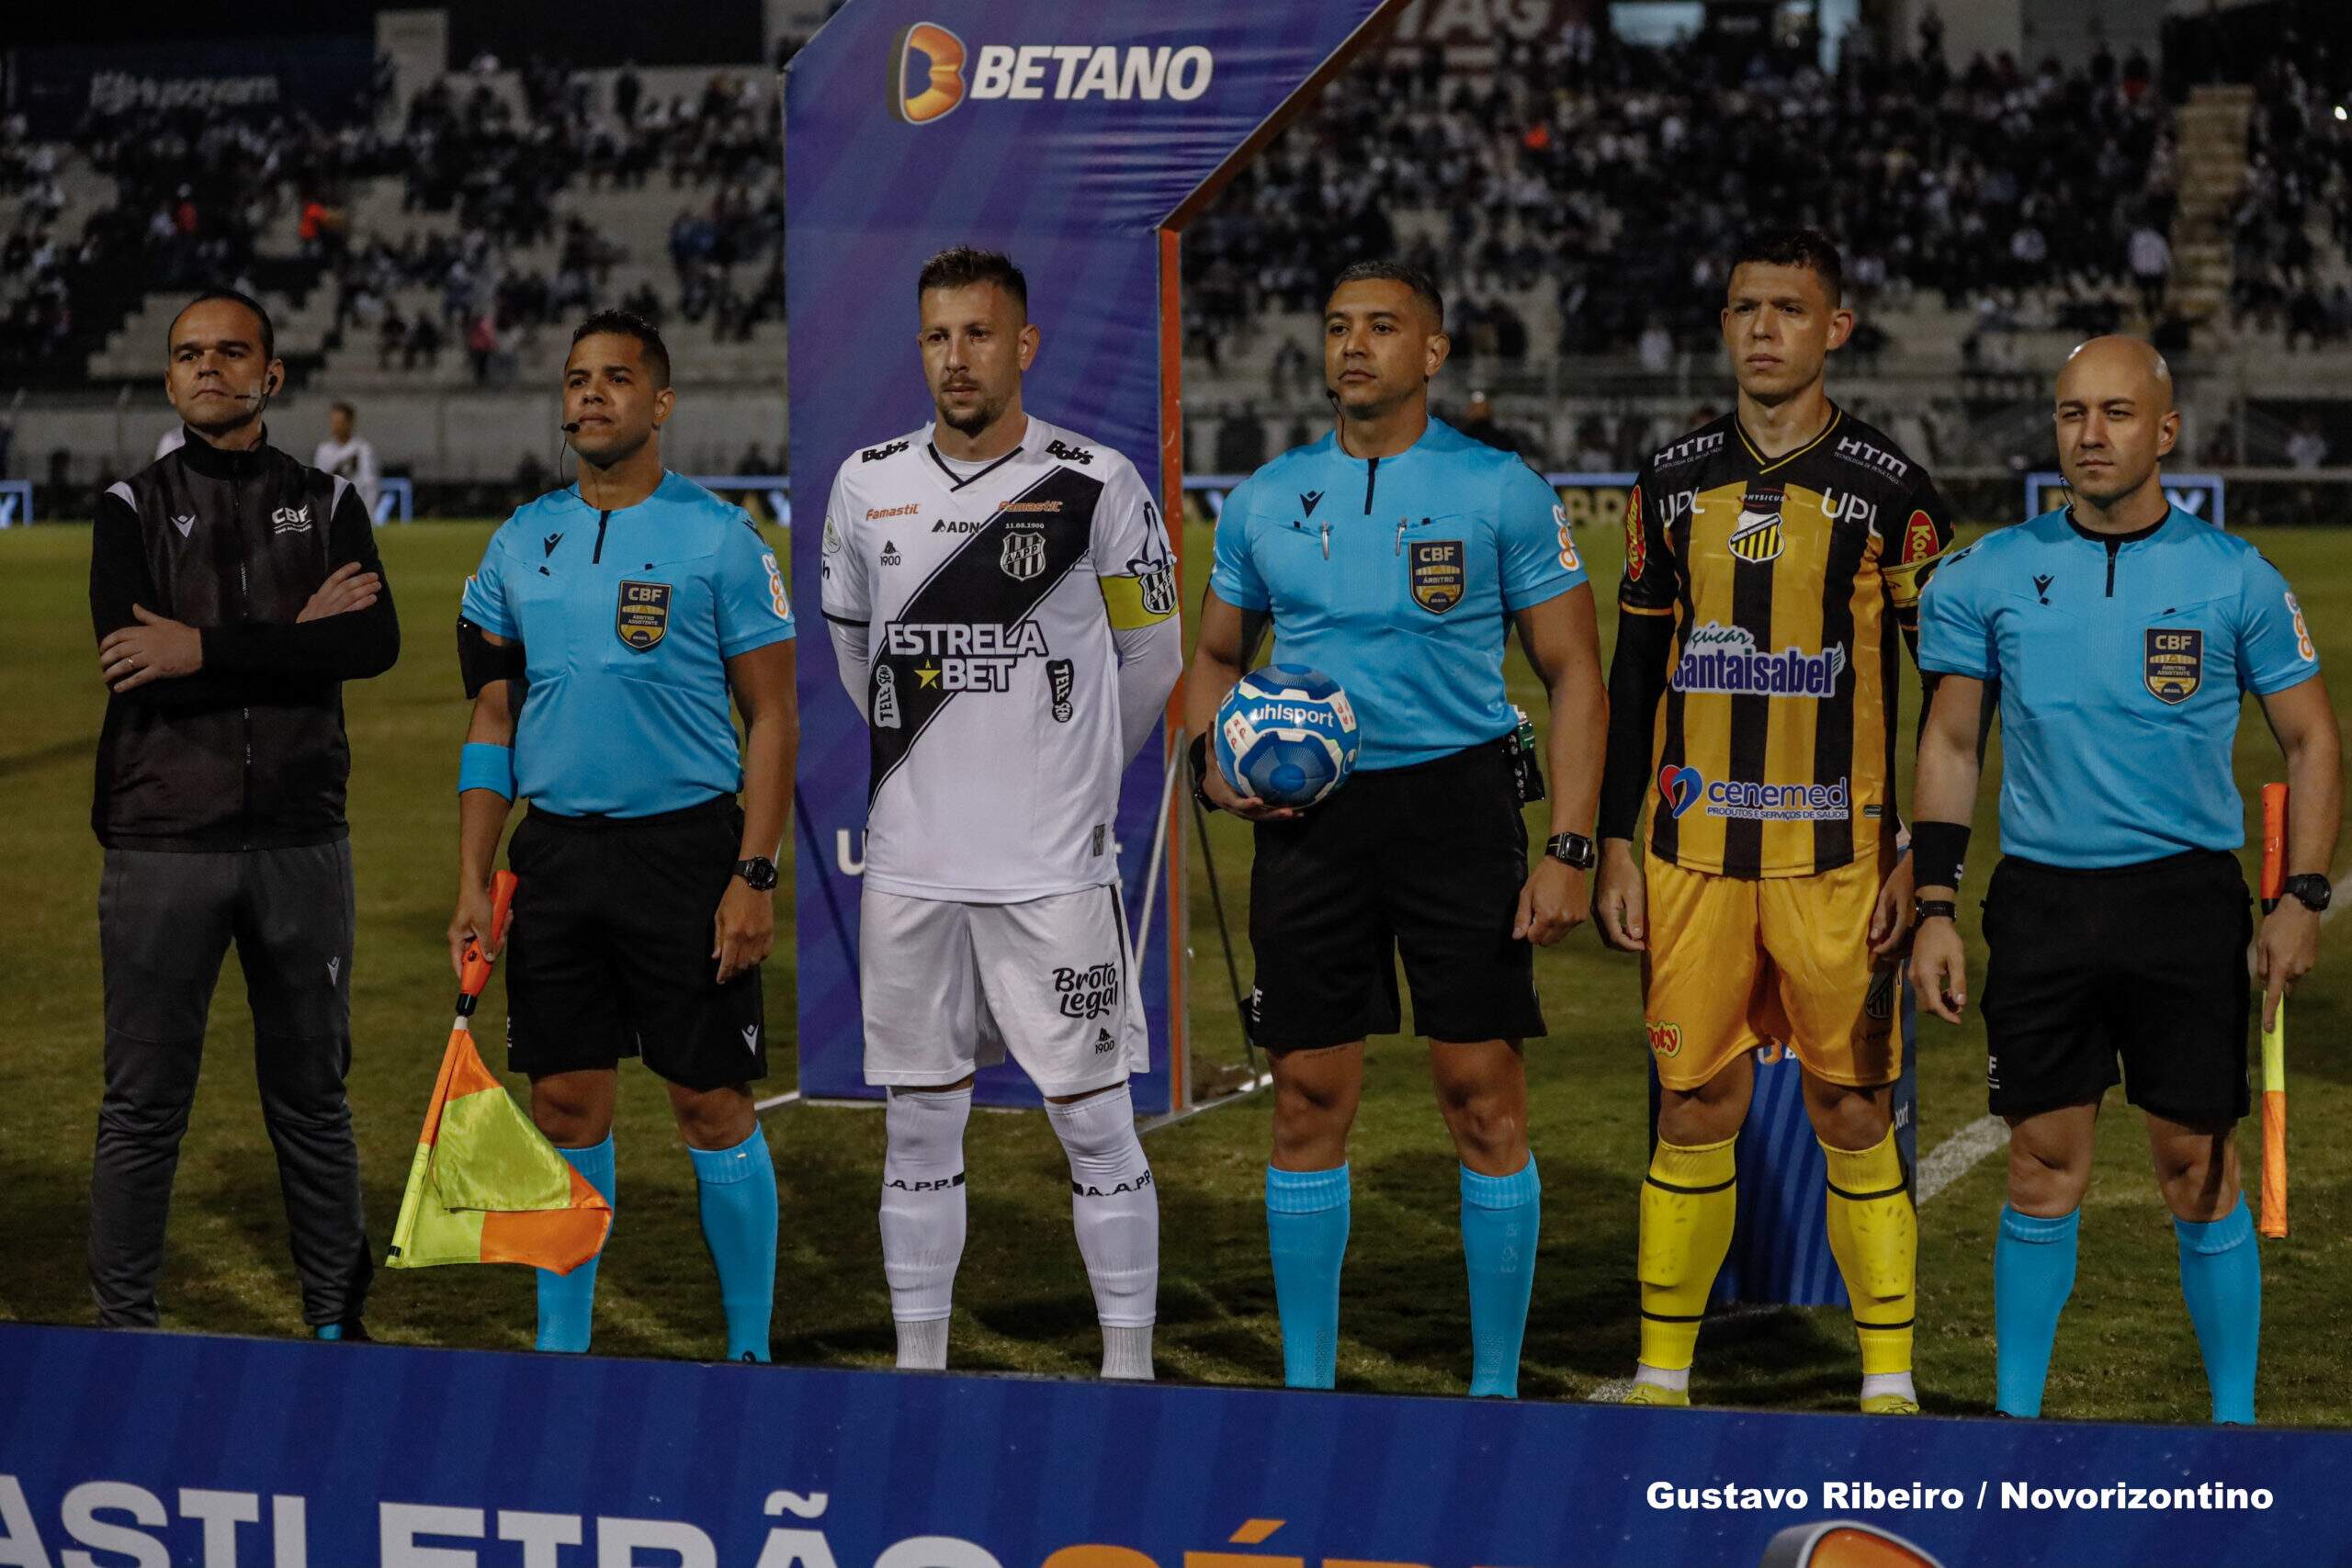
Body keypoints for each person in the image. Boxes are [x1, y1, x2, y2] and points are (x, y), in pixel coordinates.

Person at [1185, 260, 1608, 1397]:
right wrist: (1207, 765)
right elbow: (1218, 656)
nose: (1354, 346)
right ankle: (1310, 1388)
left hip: (1457, 810)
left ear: (1433, 353)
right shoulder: (1267, 497)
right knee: (1310, 1100)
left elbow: (1574, 671)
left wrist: (1569, 846)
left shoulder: (1499, 489)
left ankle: (1494, 1387)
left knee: (1482, 1096)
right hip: (1312, 825)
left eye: (1383, 327)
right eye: (1337, 327)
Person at [1909, 336, 2341, 1425]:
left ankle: (2235, 1427)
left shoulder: (2234, 575)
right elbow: (1952, 745)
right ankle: (2015, 1427)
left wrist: (2301, 896)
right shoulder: (1990, 571)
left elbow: (2313, 742)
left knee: (2196, 1166)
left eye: (2112, 414)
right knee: (2039, 1167)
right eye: (2069, 415)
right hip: (2044, 903)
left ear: (2163, 431)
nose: (2088, 436)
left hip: (2183, 904)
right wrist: (1932, 906)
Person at [1592, 228, 1955, 1413]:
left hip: (1836, 858)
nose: (1762, 328)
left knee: (1851, 1105)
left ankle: (1887, 1382)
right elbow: (1634, 673)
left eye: (1789, 309)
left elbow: (1948, 696)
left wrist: (1923, 859)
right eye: (1745, 306)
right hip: (1693, 853)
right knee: (1696, 1102)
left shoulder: (1892, 492)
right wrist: (1609, 843)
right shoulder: (1670, 480)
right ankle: (1660, 1375)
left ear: (1833, 329)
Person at [821, 247, 1182, 1379]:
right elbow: (854, 654)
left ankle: (1128, 1376)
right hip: (913, 870)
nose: (956, 357)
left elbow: (1153, 659)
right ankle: (916, 1367)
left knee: (1092, 1121)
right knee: (919, 1124)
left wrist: (1070, 772)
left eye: (978, 334)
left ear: (1023, 345)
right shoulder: (863, 482)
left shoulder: (1097, 484)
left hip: (1051, 874)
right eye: (937, 335)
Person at [448, 309, 797, 1361]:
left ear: (661, 403)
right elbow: (492, 722)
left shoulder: (720, 538)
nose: (590, 394)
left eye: (615, 378)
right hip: (553, 857)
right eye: (575, 379)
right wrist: (475, 879)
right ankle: (565, 1351)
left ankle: (748, 1350)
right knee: (563, 1100)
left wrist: (754, 874)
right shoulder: (519, 541)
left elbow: (773, 716)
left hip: (686, 853)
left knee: (709, 1101)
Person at [88, 288, 400, 1336]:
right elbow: (140, 667)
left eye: (231, 352)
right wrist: (289, 635)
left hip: (303, 838)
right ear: (170, 378)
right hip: (161, 839)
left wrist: (207, 645)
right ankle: (124, 1330)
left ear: (272, 374)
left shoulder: (327, 502)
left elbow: (370, 644)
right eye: (188, 355)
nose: (207, 368)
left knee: (314, 1104)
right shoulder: (129, 508)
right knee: (143, 1106)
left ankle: (335, 1323)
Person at [313, 400, 382, 524]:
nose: (336, 426)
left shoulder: (363, 449)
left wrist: (369, 515)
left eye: (340, 422)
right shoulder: (323, 450)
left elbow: (370, 484)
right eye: (333, 422)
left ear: (350, 423)